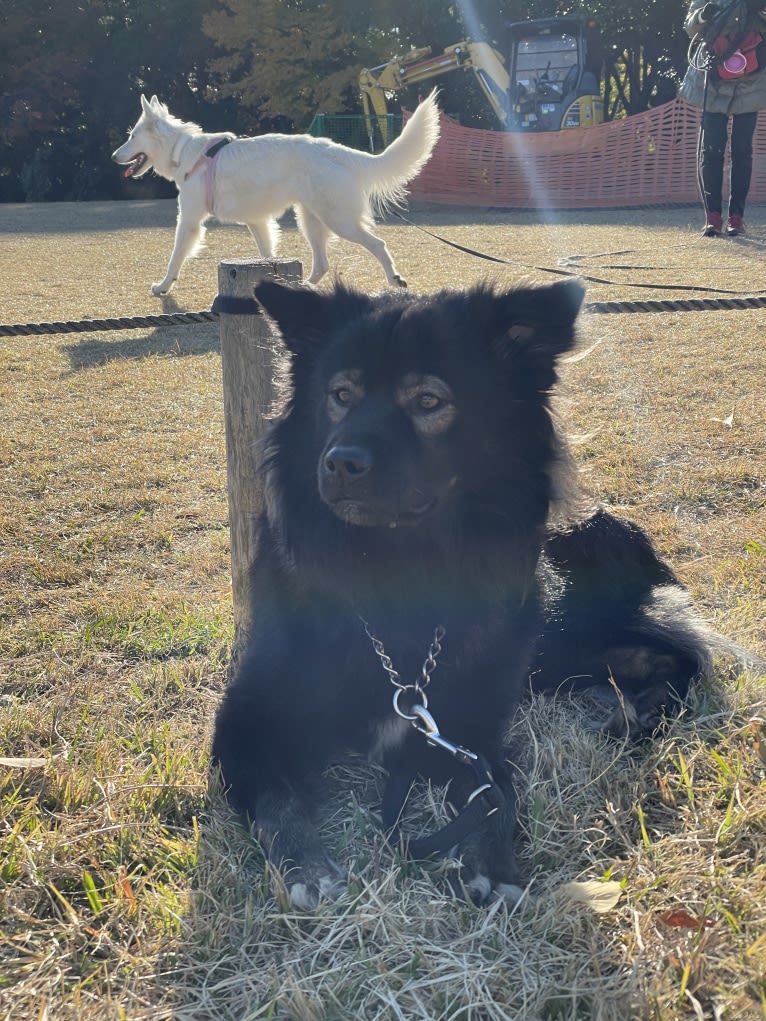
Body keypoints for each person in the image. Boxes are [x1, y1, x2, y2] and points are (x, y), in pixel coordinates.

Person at [682, 0, 766, 236]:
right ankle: (713, 217)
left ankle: (736, 218)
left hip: (752, 79)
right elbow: (690, 27)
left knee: (742, 150)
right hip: (713, 77)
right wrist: (704, 15)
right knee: (711, 150)